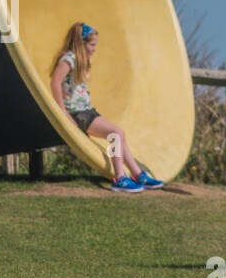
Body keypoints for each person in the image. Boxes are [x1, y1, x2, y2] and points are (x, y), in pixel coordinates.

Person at [49, 22, 164, 193]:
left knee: (119, 133)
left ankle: (138, 174)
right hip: (77, 112)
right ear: (82, 44)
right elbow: (55, 82)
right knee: (115, 134)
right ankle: (119, 178)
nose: (95, 48)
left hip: (86, 110)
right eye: (92, 44)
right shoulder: (69, 59)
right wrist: (63, 111)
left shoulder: (80, 60)